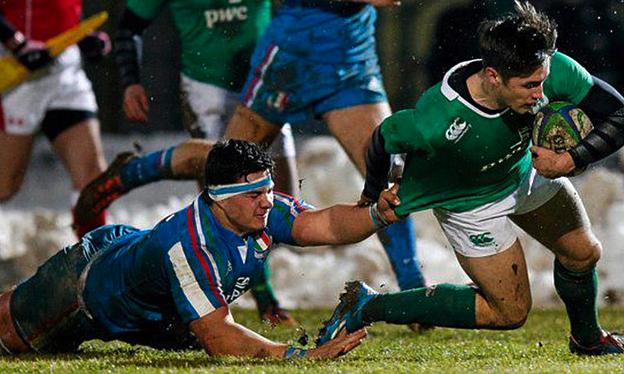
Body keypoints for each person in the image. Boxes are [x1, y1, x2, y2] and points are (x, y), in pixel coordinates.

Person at [87, 0, 427, 320]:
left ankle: (414, 294)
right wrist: (131, 81)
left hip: (349, 57)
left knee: (391, 172)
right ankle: (132, 172)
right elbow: (130, 25)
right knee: (229, 173)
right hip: (290, 56)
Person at [316, 1, 624, 355]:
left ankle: (588, 340)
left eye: (542, 81)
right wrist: (374, 192)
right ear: (493, 76)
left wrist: (571, 158)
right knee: (509, 312)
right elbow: (382, 139)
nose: (541, 95)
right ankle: (367, 306)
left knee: (583, 253)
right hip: (470, 201)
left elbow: (619, 112)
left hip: (520, 170)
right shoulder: (439, 119)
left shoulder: (550, 70)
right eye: (529, 86)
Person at [0, 139, 389, 358]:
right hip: (83, 294)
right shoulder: (189, 247)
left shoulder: (261, 209)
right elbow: (220, 339)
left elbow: (327, 224)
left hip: (147, 294)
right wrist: (300, 357)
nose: (268, 202)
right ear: (220, 198)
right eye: (255, 194)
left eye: (269, 191)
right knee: (9, 334)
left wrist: (379, 213)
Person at [114, 0, 300, 325]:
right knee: (230, 203)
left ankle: (128, 172)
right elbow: (129, 27)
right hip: (205, 89)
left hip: (263, 86)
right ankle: (263, 298)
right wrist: (130, 81)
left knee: (284, 202)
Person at [0, 1, 111, 238]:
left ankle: (94, 263)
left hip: (64, 73)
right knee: (4, 186)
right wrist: (15, 42)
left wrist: (83, 37)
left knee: (93, 179)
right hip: (14, 73)